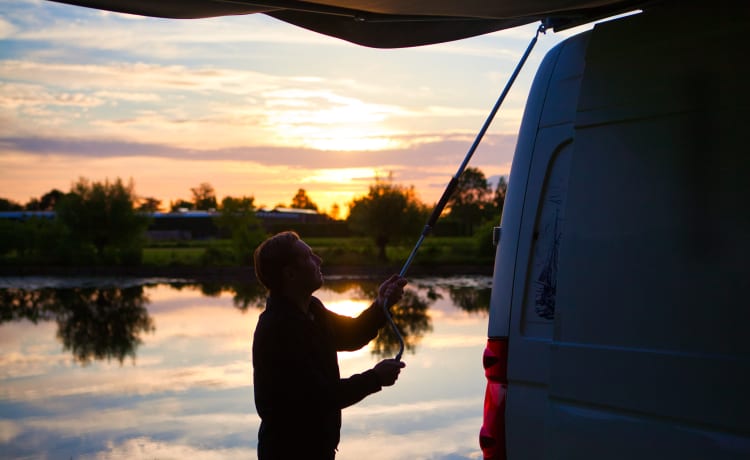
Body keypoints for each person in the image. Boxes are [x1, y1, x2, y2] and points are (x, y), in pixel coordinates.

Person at [252, 231, 407, 459]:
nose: (319, 261)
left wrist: (381, 304)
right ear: (291, 274)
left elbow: (352, 335)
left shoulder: (313, 309)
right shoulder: (277, 329)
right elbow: (319, 397)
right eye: (309, 257)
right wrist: (375, 378)